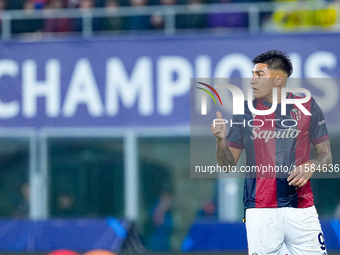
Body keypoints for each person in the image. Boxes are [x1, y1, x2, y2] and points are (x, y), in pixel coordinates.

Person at [211, 50, 332, 255]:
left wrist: (311, 165)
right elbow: (227, 165)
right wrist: (220, 142)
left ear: (278, 80)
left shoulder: (308, 106)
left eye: (259, 75)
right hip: (261, 210)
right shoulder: (245, 112)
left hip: (302, 208)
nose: (252, 80)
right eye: (252, 74)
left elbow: (326, 157)